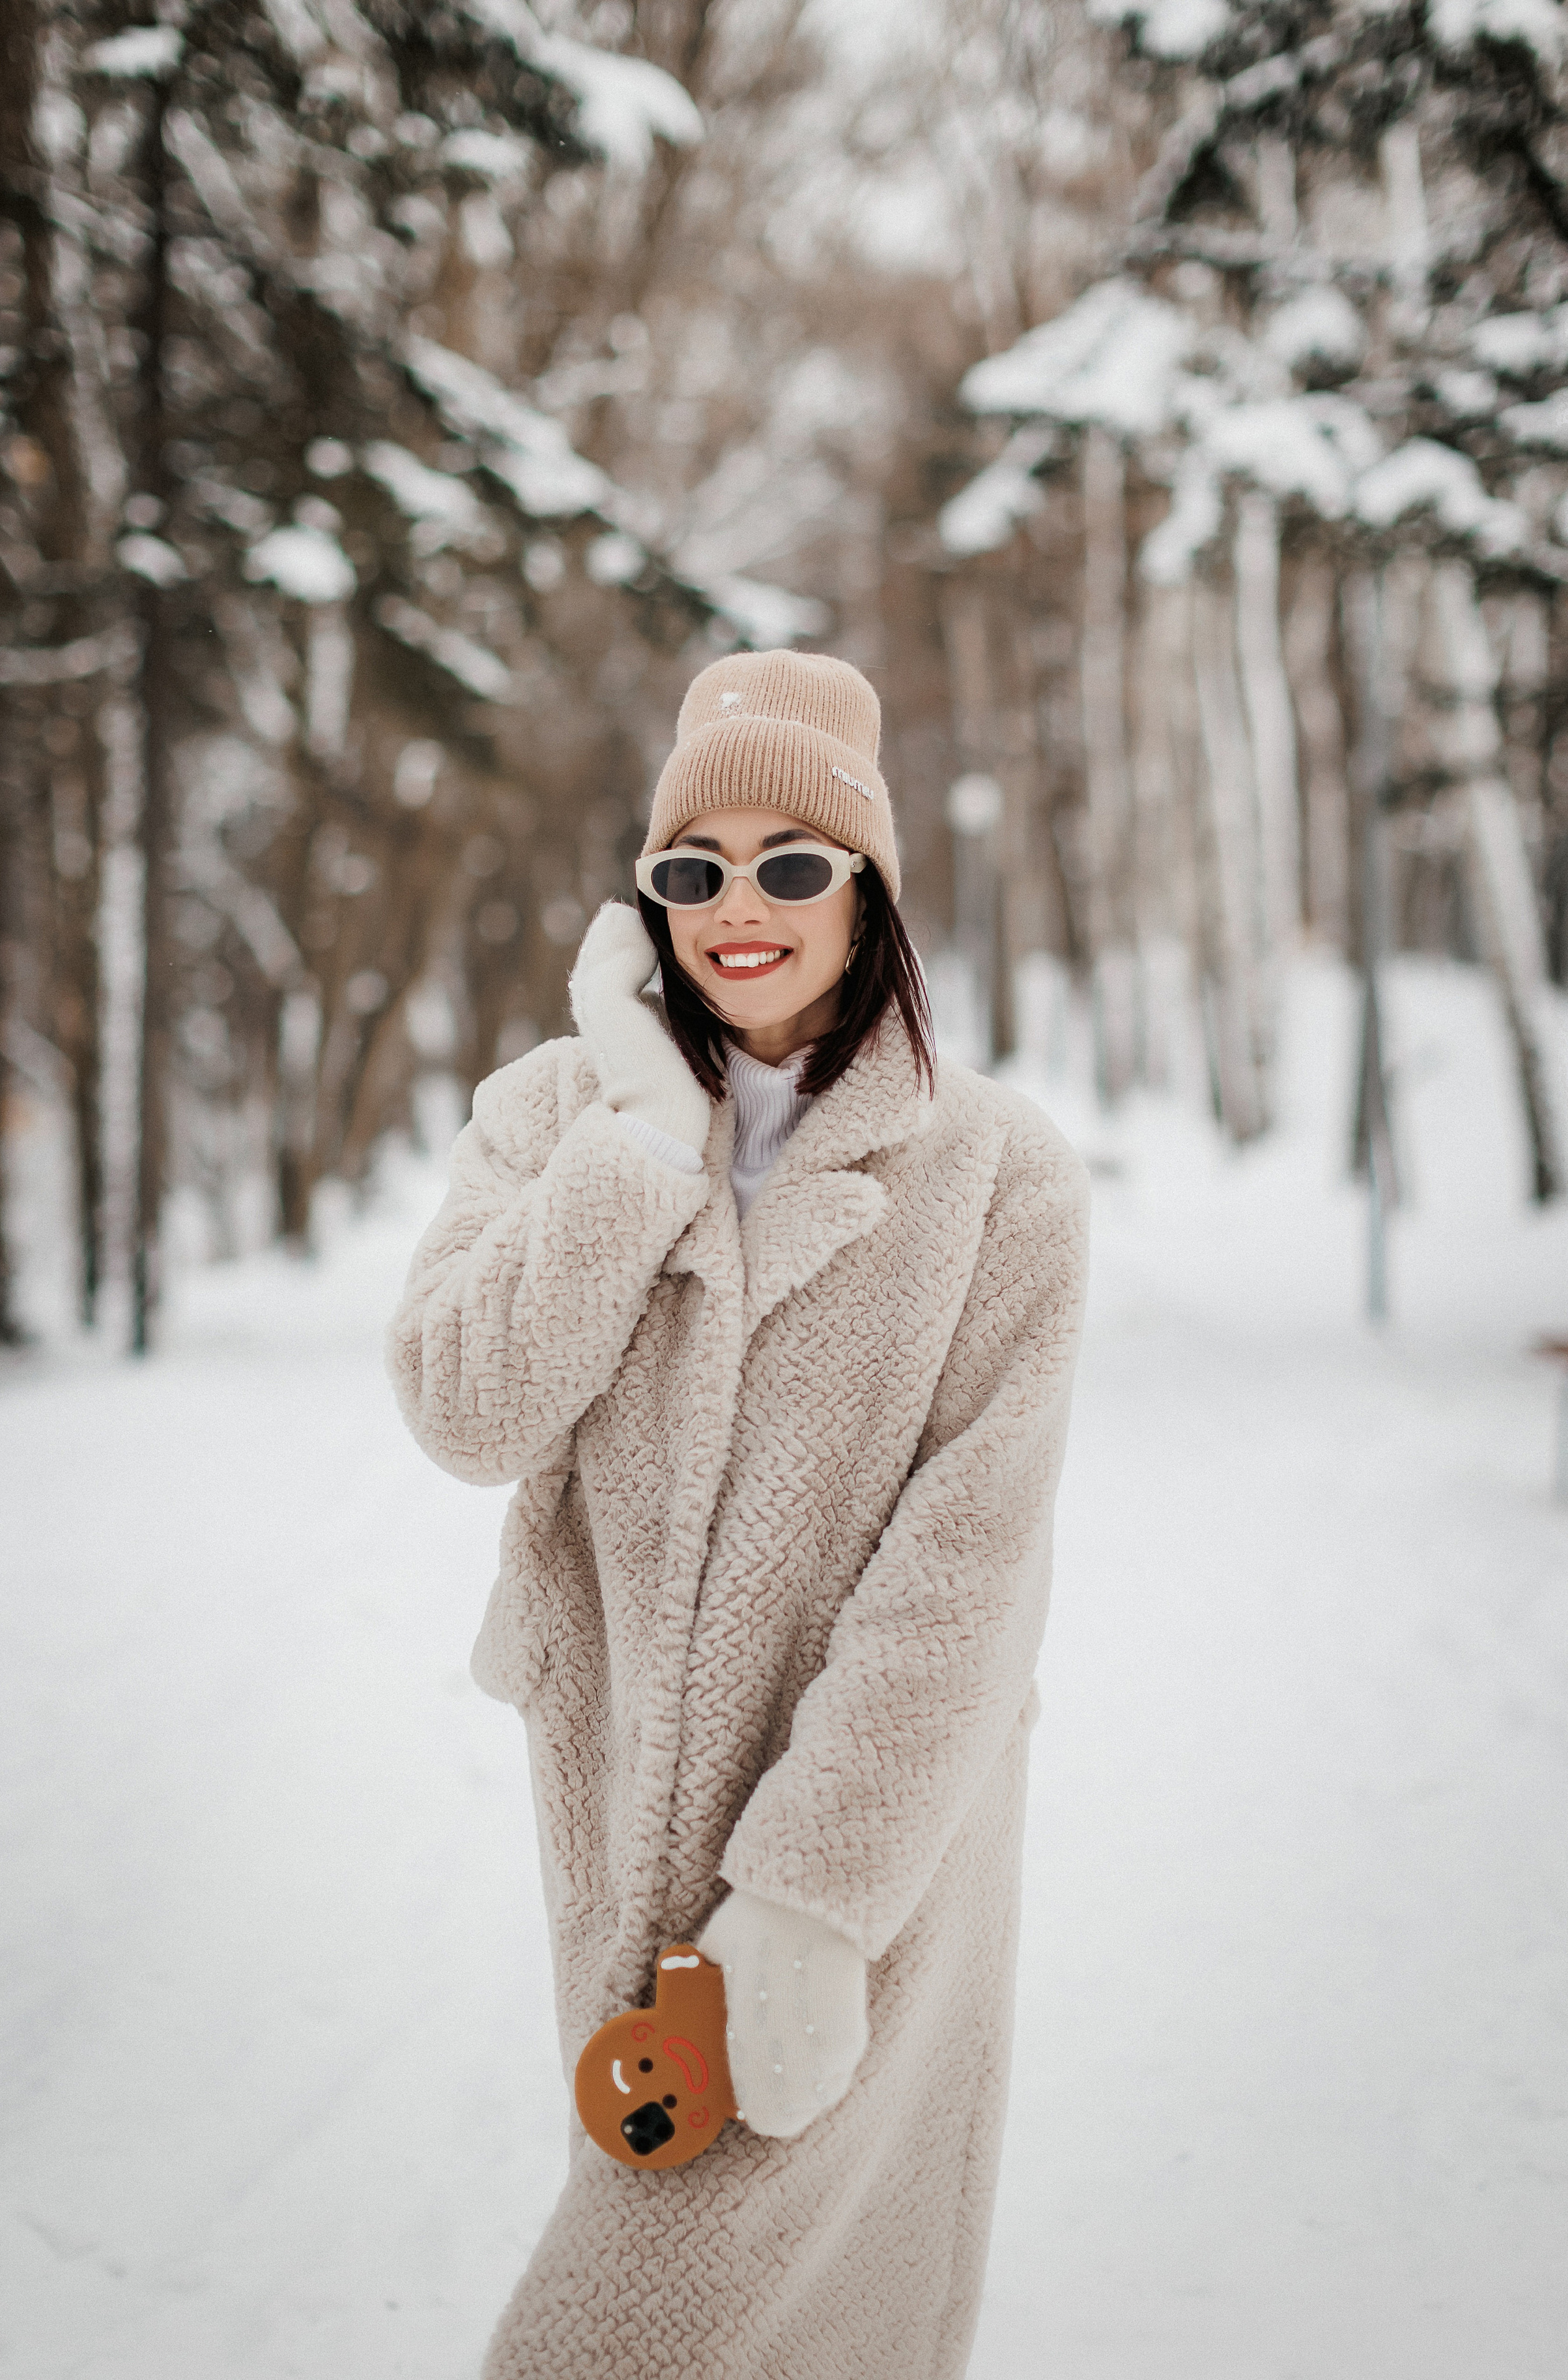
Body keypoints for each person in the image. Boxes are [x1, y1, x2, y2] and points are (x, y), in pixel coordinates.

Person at [388, 649, 1090, 2380]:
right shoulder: (551, 1114)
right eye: (693, 870)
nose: (740, 909)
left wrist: (812, 1898)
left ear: (870, 889)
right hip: (618, 1789)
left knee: (676, 2305)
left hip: (875, 1838)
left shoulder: (998, 1175)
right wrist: (638, 1136)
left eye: (792, 862)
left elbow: (971, 1563)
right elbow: (467, 1407)